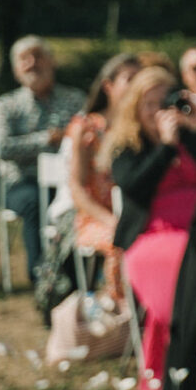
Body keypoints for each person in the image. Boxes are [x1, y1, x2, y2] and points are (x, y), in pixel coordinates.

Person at [102, 64, 196, 390]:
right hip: (152, 237)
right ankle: (182, 368)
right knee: (183, 271)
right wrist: (167, 147)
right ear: (135, 109)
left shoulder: (190, 137)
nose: (159, 111)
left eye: (166, 102)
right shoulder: (125, 146)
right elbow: (136, 186)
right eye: (150, 104)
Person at [0, 36, 87, 285]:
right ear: (15, 69)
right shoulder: (6, 105)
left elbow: (90, 136)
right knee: (35, 203)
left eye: (39, 57)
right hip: (23, 182)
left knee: (79, 204)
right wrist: (46, 139)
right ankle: (42, 279)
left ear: (52, 62)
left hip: (68, 181)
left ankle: (75, 278)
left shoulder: (75, 99)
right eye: (25, 59)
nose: (33, 64)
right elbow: (0, 148)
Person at [64, 52, 142, 299]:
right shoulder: (87, 127)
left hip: (134, 211)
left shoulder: (141, 127)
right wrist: (109, 220)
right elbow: (77, 189)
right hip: (95, 216)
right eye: (130, 79)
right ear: (109, 86)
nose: (136, 86)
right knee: (119, 241)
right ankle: (120, 314)